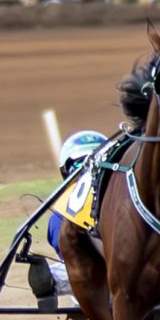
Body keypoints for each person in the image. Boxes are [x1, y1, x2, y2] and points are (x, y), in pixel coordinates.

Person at [28, 130, 112, 308]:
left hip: (92, 288)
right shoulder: (126, 203)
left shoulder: (61, 214)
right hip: (138, 280)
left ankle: (53, 282)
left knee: (63, 269)